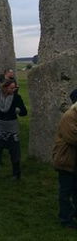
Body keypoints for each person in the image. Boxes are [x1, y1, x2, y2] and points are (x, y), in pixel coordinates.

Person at [0, 80, 27, 180]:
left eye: (14, 88)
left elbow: (24, 112)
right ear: (5, 87)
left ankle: (16, 174)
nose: (13, 90)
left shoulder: (17, 98)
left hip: (12, 128)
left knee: (15, 152)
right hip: (0, 127)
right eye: (11, 88)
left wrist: (18, 110)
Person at [52, 88, 77, 229]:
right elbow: (72, 137)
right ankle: (65, 218)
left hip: (74, 158)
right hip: (66, 158)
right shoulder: (69, 116)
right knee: (66, 191)